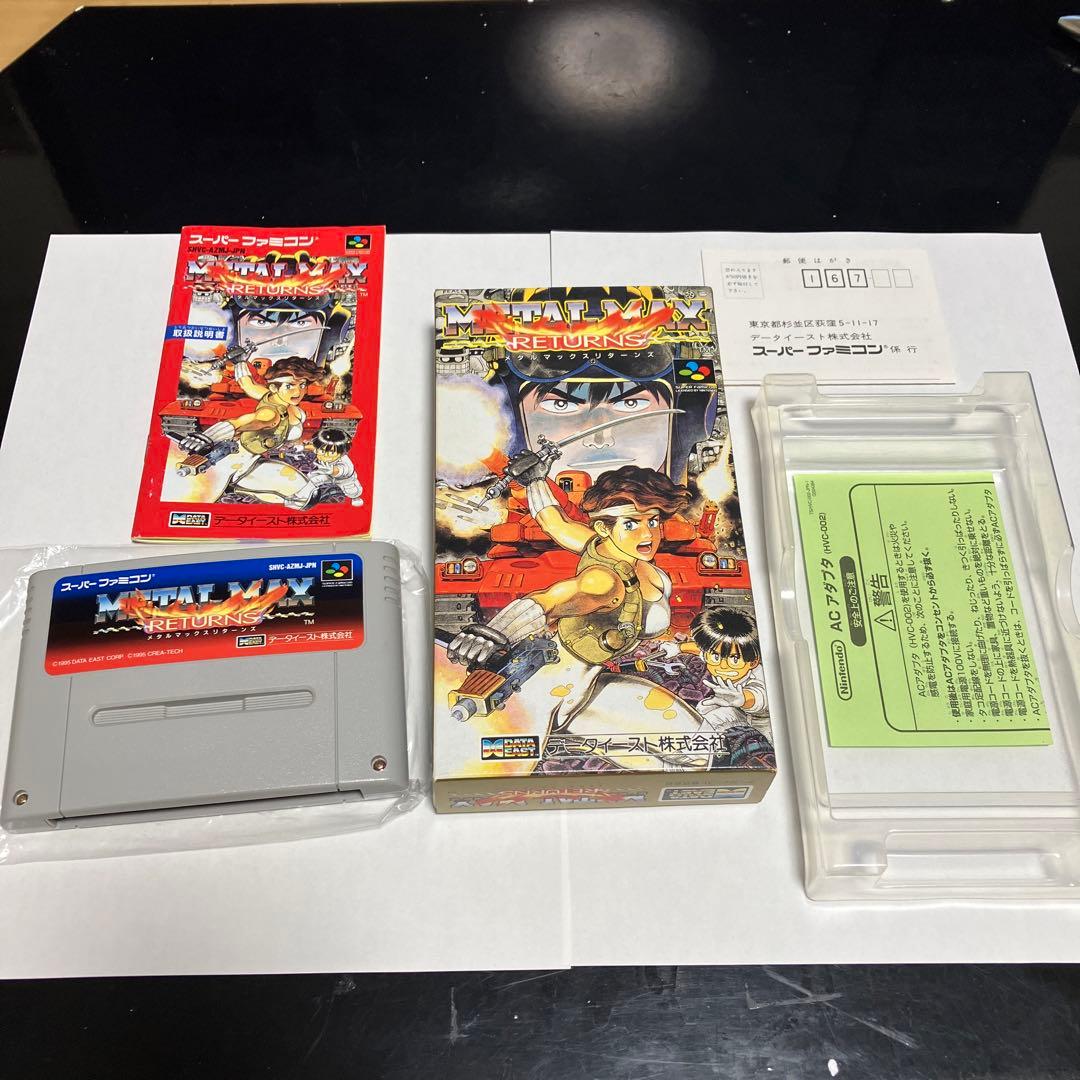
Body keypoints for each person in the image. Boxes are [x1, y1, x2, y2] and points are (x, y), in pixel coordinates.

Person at [448, 464, 693, 733]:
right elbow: (549, 601)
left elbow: (556, 523)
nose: (647, 535)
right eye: (631, 524)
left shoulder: (612, 549)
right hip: (550, 685)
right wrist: (492, 633)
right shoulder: (605, 581)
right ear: (603, 527)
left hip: (587, 681)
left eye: (653, 521)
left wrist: (536, 479)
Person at [177, 355, 325, 508]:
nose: (298, 392)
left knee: (307, 494)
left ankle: (238, 490)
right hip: (232, 463)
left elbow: (248, 384)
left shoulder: (274, 398)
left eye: (302, 385)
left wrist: (240, 361)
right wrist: (205, 437)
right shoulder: (270, 414)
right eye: (289, 386)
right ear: (274, 388)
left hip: (252, 460)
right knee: (307, 494)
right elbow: (238, 423)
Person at [662, 608, 769, 735]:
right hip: (729, 707)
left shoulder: (759, 676)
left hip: (759, 726)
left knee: (716, 716)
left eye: (734, 659)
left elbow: (759, 696)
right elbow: (705, 649)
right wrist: (678, 648)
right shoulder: (713, 657)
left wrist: (742, 698)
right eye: (716, 657)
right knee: (703, 708)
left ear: (753, 662)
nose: (722, 666)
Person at [308, 428, 364, 506]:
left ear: (341, 453)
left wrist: (332, 470)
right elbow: (314, 447)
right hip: (327, 474)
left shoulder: (344, 460)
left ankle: (355, 498)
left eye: (331, 452)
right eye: (322, 451)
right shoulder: (320, 450)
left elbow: (344, 470)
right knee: (312, 478)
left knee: (352, 491)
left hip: (344, 479)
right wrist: (302, 447)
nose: (326, 454)